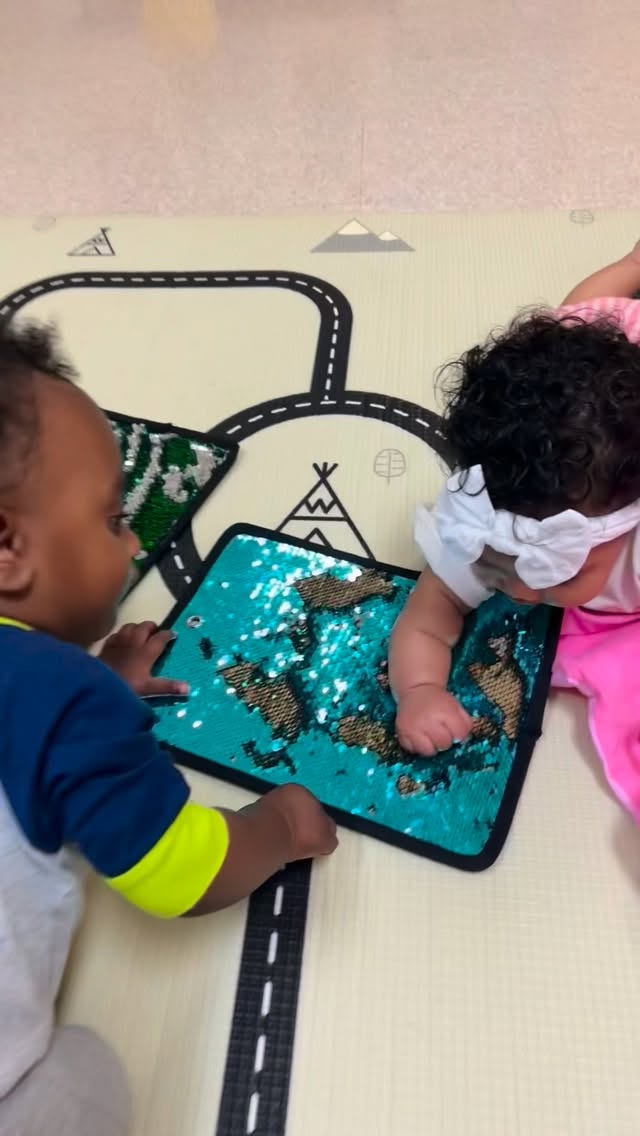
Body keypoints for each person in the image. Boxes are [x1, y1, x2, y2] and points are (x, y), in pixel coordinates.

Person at [0, 321, 338, 1136]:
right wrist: (278, 823)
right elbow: (177, 872)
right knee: (83, 1073)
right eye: (115, 519)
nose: (134, 543)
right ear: (7, 548)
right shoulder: (60, 699)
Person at [390, 241, 640, 820]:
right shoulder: (482, 521)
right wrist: (420, 691)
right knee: (579, 319)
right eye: (508, 567)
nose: (523, 594)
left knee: (595, 312)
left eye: (557, 572)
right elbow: (427, 617)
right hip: (591, 372)